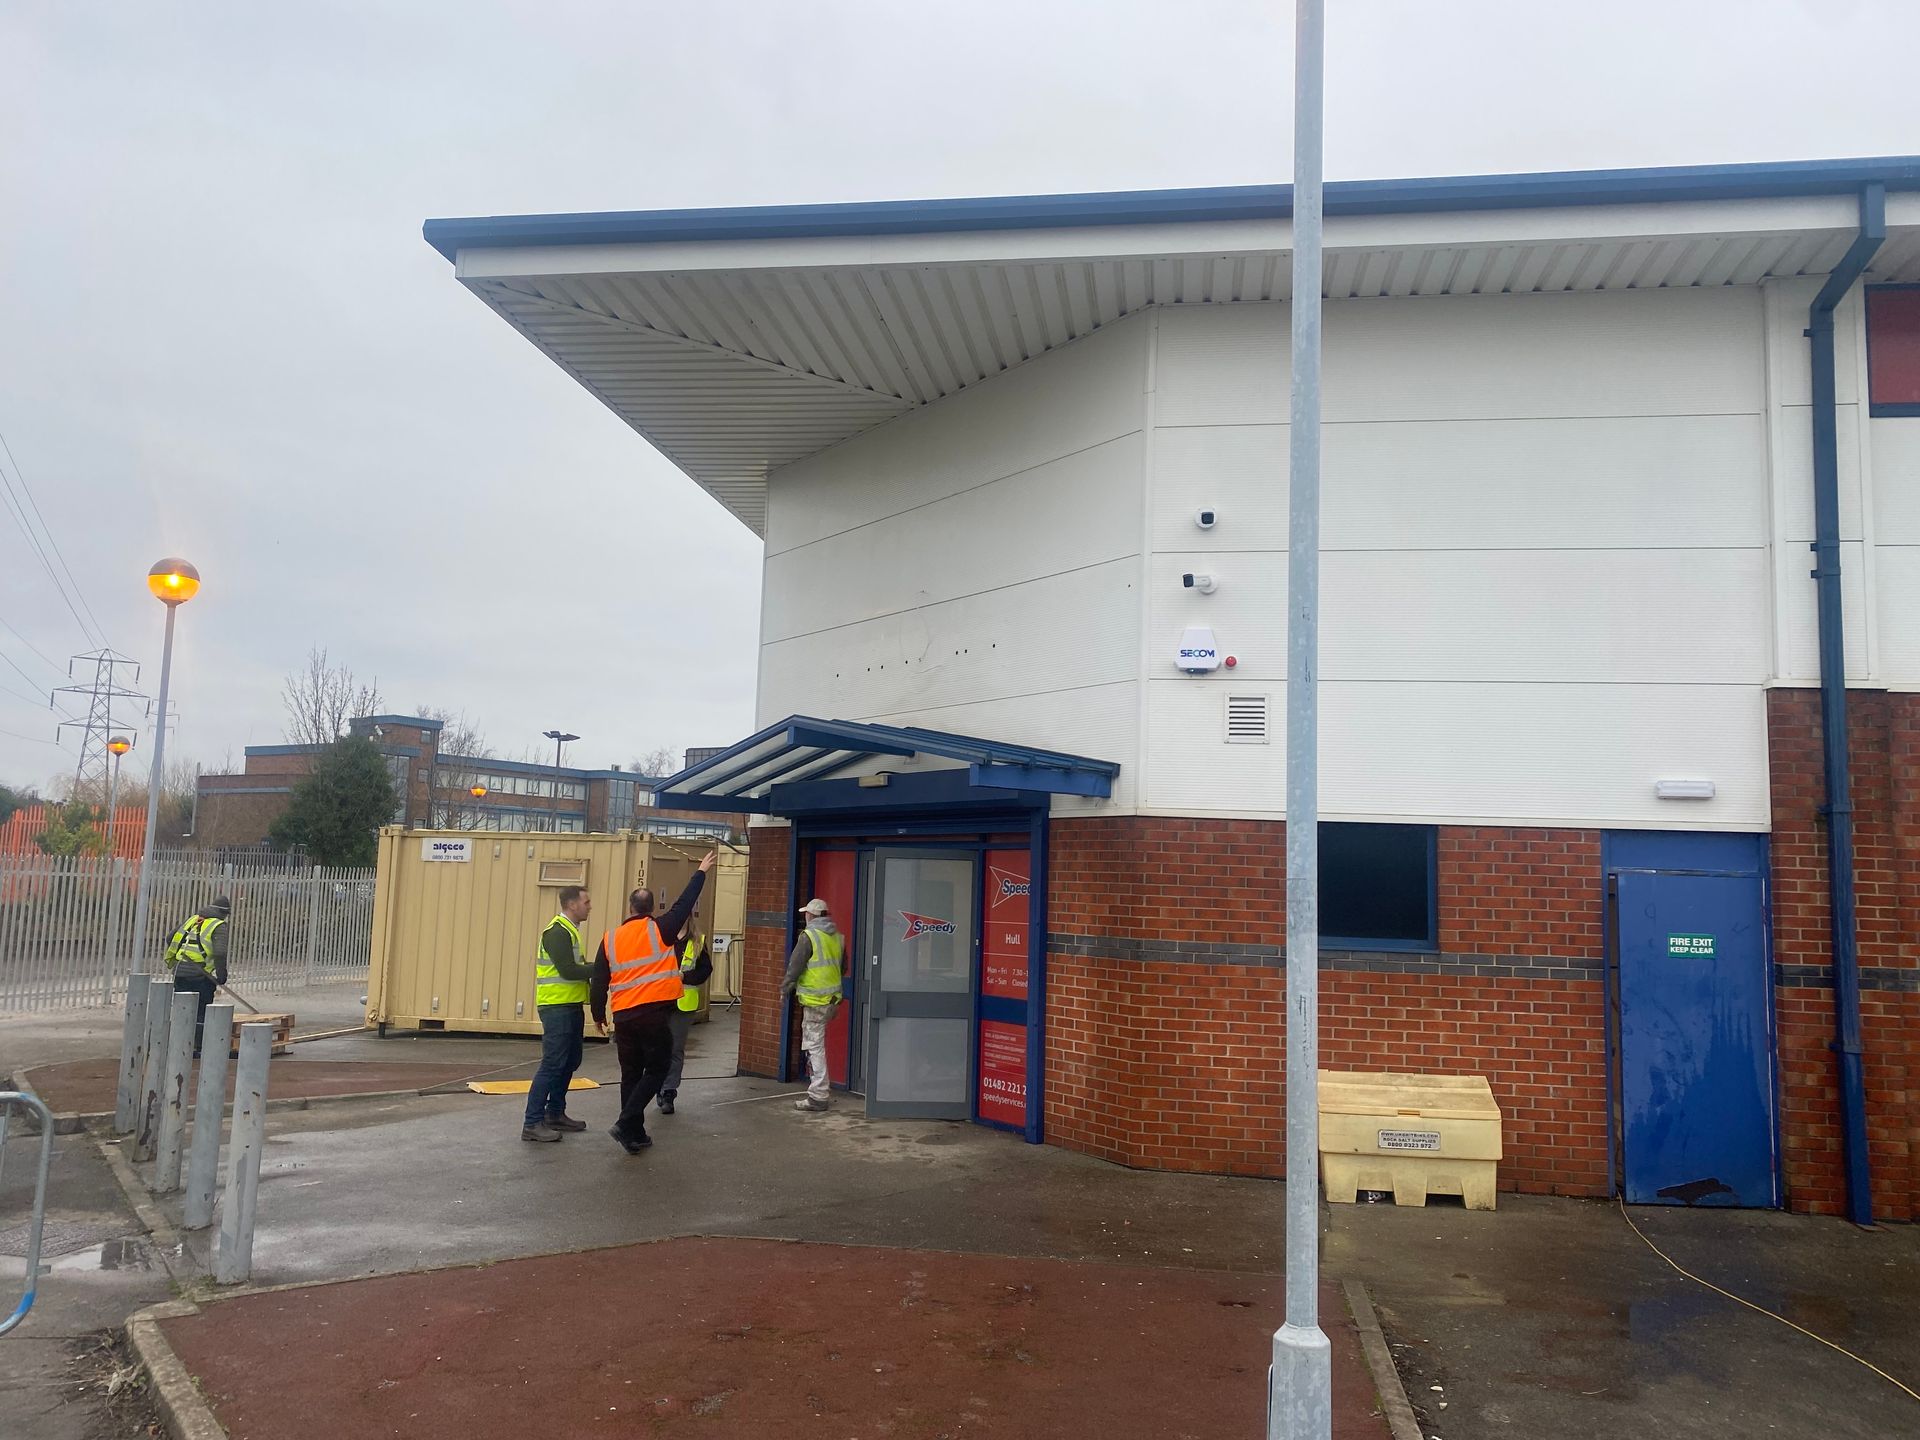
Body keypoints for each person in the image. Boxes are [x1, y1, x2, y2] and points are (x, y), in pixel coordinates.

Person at [592, 851, 716, 1154]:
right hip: (652, 1014)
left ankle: (634, 1135)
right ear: (650, 909)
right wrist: (700, 871)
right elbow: (685, 903)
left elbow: (599, 980)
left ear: (630, 908)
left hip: (622, 1016)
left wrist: (597, 1014)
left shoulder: (610, 938)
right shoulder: (661, 929)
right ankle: (625, 1122)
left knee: (630, 1074)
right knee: (659, 1068)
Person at [522, 884, 593, 1143]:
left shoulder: (571, 931)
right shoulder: (557, 932)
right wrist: (602, 968)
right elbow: (568, 970)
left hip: (570, 1005)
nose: (589, 907)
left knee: (570, 1061)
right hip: (556, 1008)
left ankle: (555, 1113)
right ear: (572, 904)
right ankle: (532, 1122)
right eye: (586, 902)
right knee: (552, 1064)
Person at [781, 897, 845, 1113]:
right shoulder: (837, 937)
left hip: (815, 1001)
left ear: (812, 916)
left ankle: (818, 1095)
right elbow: (842, 968)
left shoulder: (808, 936)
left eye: (806, 914)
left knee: (814, 1045)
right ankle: (819, 1090)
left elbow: (795, 966)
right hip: (832, 1000)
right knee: (817, 1043)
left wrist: (786, 988)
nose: (805, 917)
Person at [657, 919, 714, 1116]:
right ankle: (658, 1084)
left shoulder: (698, 941)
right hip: (661, 1001)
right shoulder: (662, 939)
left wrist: (686, 977)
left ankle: (669, 1092)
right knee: (658, 1047)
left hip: (684, 1002)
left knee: (675, 1048)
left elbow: (706, 970)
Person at [165, 896, 230, 1058]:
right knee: (201, 1012)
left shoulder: (192, 920)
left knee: (183, 1010)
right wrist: (221, 975)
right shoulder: (218, 925)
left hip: (180, 971)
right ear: (224, 913)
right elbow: (220, 952)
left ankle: (179, 1045)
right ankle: (199, 1047)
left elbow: (170, 938)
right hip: (200, 976)